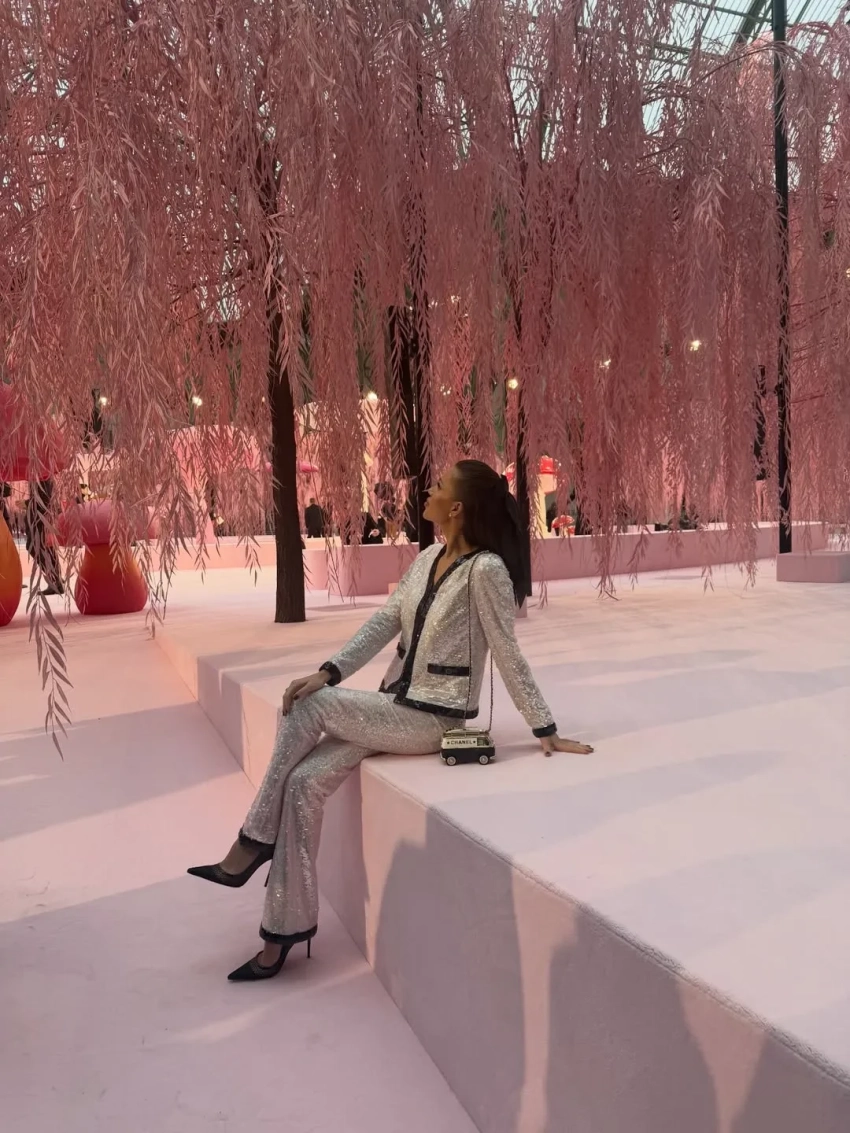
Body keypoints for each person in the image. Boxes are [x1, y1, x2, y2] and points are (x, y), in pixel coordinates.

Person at [188, 459, 594, 982]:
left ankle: (252, 841)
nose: (428, 490)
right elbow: (382, 623)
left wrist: (544, 727)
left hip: (433, 719)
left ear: (457, 508)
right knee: (306, 782)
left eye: (439, 487)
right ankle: (282, 931)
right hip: (393, 705)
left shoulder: (487, 570)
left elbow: (507, 651)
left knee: (310, 704)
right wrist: (329, 671)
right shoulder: (426, 559)